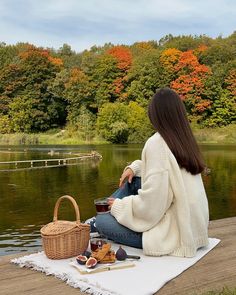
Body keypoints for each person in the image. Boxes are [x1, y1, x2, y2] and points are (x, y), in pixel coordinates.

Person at [92, 87, 209, 257]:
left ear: (155, 115)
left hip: (174, 235)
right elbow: (165, 171)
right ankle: (104, 212)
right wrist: (135, 167)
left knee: (102, 221)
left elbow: (151, 207)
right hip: (194, 226)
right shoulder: (184, 139)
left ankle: (99, 218)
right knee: (134, 181)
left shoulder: (157, 143)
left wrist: (118, 206)